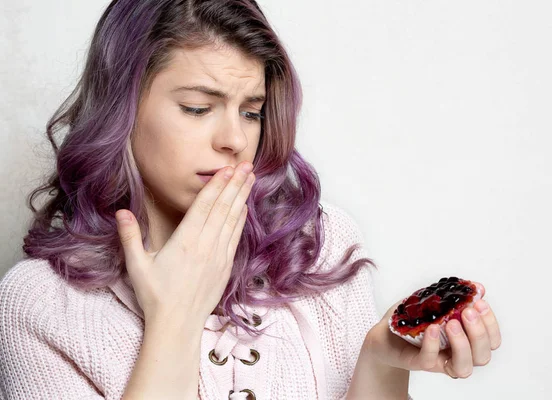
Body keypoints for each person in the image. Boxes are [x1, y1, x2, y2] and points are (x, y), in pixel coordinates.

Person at [0, 1, 502, 399]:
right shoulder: (40, 303)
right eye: (198, 108)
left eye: (251, 112)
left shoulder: (318, 244)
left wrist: (379, 365)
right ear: (121, 109)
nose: (234, 140)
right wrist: (175, 317)